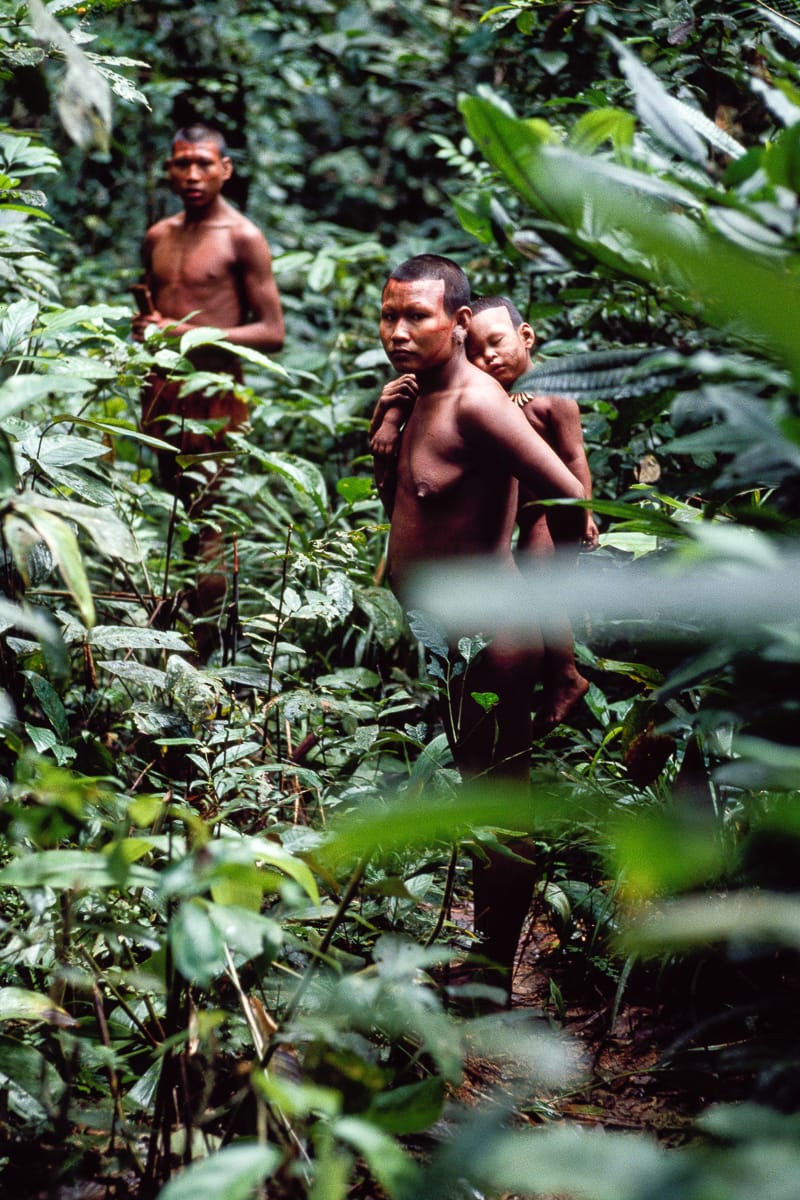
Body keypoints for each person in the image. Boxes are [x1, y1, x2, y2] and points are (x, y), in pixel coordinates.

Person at [373, 254, 586, 1004]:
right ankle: (484, 955)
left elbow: (564, 494)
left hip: (493, 638)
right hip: (446, 643)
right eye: (389, 315)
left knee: (501, 801)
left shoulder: (477, 402)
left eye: (417, 317)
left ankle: (494, 971)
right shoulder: (419, 395)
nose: (398, 332)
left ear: (459, 322)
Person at [371, 293, 597, 733]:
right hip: (500, 527)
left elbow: (574, 461)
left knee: (541, 578)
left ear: (525, 336)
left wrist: (583, 513)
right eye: (475, 351)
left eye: (496, 344)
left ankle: (566, 675)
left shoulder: (549, 396)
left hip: (542, 513)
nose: (487, 357)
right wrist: (386, 420)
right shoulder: (474, 395)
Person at [132, 122, 285, 657]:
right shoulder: (159, 235)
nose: (192, 174)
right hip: (163, 392)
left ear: (226, 168)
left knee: (212, 520)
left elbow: (272, 332)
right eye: (182, 163)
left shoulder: (242, 237)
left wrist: (188, 332)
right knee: (176, 514)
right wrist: (148, 332)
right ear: (169, 169)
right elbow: (152, 317)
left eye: (203, 163)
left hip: (217, 395)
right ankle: (174, 639)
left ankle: (214, 651)